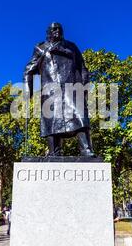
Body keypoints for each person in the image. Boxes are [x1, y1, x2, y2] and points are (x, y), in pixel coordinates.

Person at [24, 22, 95, 157]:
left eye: (59, 29)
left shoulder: (71, 46)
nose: (57, 31)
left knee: (80, 117)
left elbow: (82, 67)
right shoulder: (40, 48)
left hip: (73, 88)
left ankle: (86, 149)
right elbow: (29, 70)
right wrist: (29, 91)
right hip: (50, 90)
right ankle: (54, 151)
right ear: (48, 32)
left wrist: (84, 86)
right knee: (51, 121)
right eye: (54, 29)